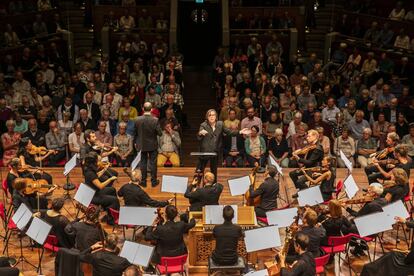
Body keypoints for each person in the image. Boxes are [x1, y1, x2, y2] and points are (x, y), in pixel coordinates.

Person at [197, 109, 249, 181]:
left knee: (214, 170)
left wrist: (240, 132)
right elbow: (199, 136)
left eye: (213, 115)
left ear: (216, 116)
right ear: (207, 117)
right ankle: (197, 184)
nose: (211, 117)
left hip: (215, 151)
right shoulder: (203, 125)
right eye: (210, 115)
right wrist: (200, 133)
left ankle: (213, 185)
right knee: (200, 170)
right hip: (205, 151)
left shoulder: (220, 124)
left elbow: (229, 132)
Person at [82, 151, 119, 225]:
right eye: (98, 161)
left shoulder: (88, 168)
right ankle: (111, 220)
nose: (99, 162)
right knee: (114, 200)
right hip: (93, 196)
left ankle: (109, 211)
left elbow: (96, 176)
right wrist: (110, 179)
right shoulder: (90, 173)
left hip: (93, 192)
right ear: (93, 162)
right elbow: (100, 186)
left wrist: (104, 170)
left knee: (112, 190)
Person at [135, 102, 162, 187]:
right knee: (153, 163)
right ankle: (153, 182)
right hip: (152, 144)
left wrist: (136, 142)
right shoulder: (155, 119)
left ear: (143, 108)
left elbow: (135, 132)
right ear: (151, 109)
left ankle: (143, 181)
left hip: (141, 144)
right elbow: (160, 133)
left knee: (143, 163)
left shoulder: (137, 119)